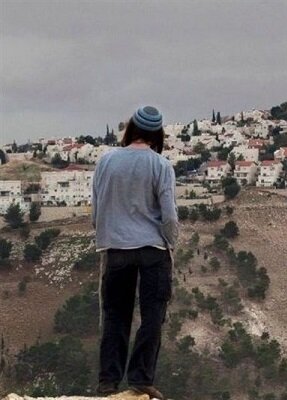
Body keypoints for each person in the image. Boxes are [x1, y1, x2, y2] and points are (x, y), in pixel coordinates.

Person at [92, 106, 178, 399]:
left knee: (116, 315)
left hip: (115, 248)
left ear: (130, 130)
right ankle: (141, 378)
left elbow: (97, 207)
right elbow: (169, 216)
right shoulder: (161, 165)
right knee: (153, 315)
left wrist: (106, 233)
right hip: (152, 249)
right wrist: (171, 242)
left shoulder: (106, 161)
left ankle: (108, 382)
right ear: (157, 134)